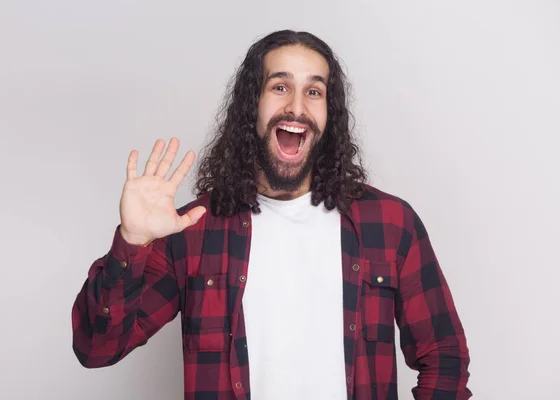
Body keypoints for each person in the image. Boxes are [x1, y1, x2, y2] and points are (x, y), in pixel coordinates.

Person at [71, 30, 471, 400]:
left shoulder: (390, 223)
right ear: (253, 105)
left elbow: (444, 357)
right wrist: (132, 242)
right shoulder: (194, 230)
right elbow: (96, 348)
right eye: (280, 87)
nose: (296, 108)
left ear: (329, 113)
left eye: (314, 92)